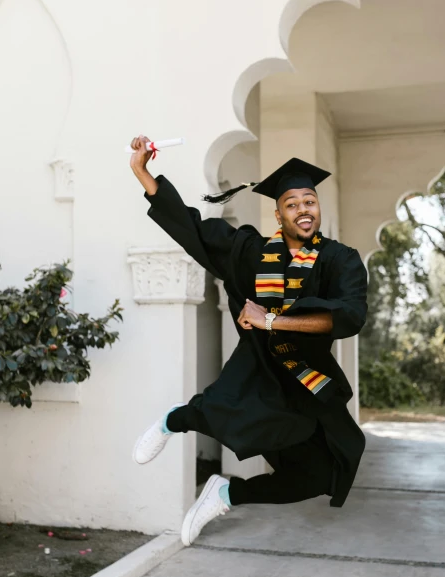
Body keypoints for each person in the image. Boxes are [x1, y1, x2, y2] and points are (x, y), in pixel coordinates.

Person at [129, 135, 368, 547]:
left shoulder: (339, 259)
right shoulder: (251, 252)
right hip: (257, 363)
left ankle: (225, 493)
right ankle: (174, 420)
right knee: (223, 411)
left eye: (309, 201)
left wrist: (272, 320)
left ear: (318, 206)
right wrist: (142, 172)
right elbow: (195, 232)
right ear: (279, 214)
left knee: (321, 474)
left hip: (306, 376)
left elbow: (348, 315)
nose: (303, 210)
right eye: (292, 204)